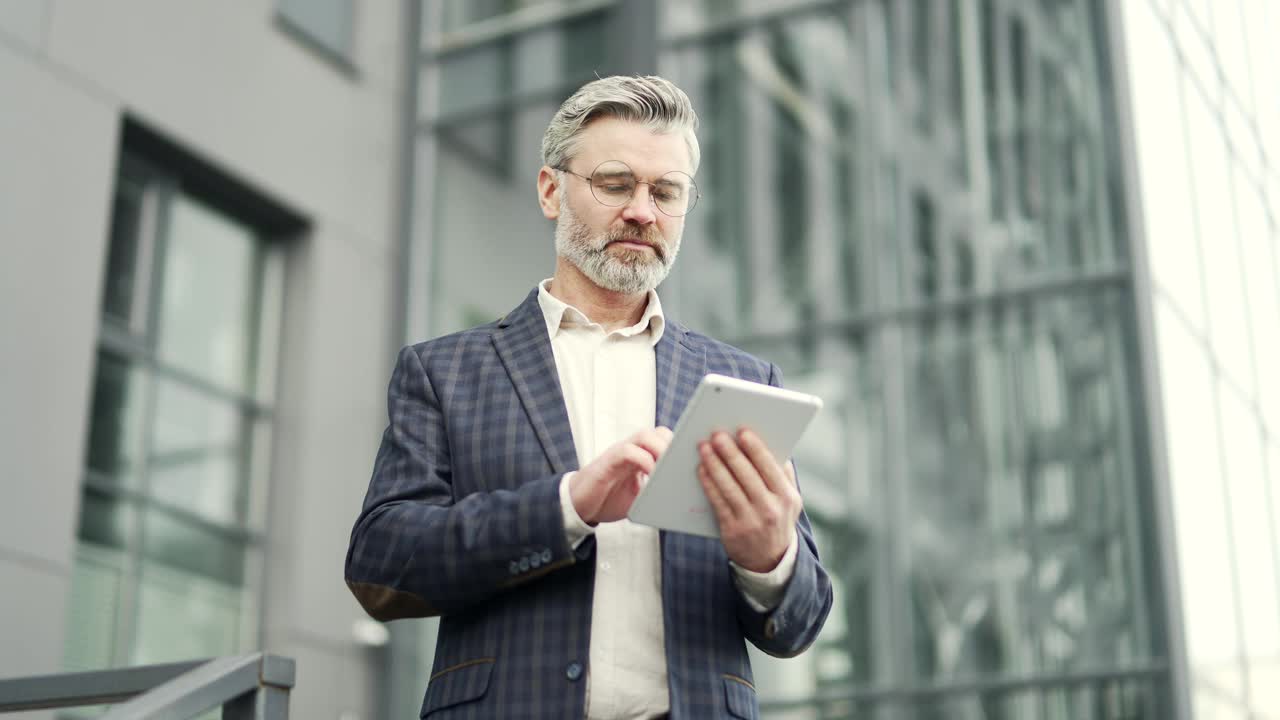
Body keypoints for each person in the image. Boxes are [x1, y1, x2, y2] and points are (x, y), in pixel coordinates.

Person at [345, 75, 832, 720]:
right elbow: (381, 565)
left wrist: (770, 557)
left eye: (666, 192)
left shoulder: (746, 384)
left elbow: (799, 624)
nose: (642, 210)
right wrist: (567, 506)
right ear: (552, 190)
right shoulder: (446, 372)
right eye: (614, 183)